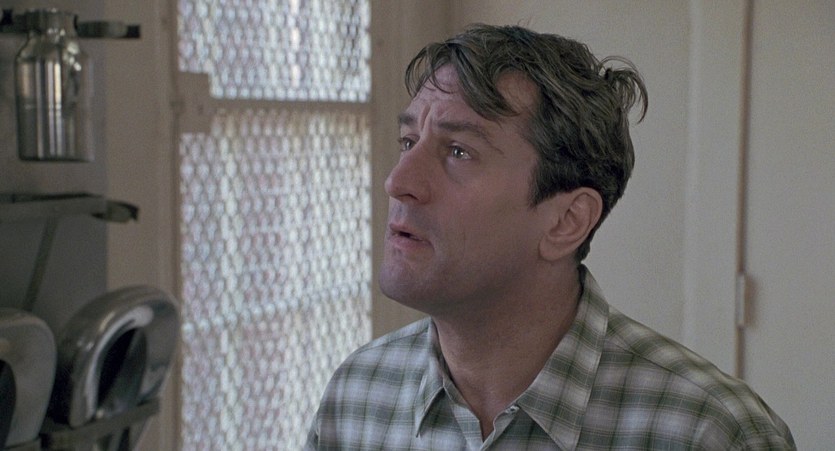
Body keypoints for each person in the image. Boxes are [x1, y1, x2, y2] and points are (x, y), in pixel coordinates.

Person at [306, 24, 795, 449]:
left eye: (458, 151)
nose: (398, 181)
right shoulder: (357, 395)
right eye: (409, 141)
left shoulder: (710, 431)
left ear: (566, 222)